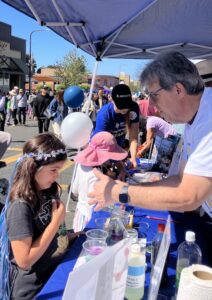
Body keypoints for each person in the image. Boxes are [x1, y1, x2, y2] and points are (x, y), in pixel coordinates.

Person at [88, 51, 212, 264]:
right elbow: (179, 180)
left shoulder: (208, 119)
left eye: (154, 95)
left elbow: (189, 196)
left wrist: (119, 192)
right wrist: (125, 189)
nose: (152, 105)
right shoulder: (196, 118)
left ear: (178, 89)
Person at [2, 133, 79, 299]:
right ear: (33, 168)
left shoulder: (48, 190)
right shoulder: (20, 206)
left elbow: (52, 234)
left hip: (54, 270)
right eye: (53, 170)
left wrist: (69, 237)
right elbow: (24, 260)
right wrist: (55, 222)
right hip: (34, 289)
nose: (58, 175)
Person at [72, 131, 128, 232]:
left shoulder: (81, 165)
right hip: (92, 217)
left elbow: (74, 190)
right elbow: (100, 200)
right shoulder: (97, 175)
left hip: (80, 213)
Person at [92, 84, 139, 170]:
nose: (124, 109)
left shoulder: (134, 108)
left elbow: (133, 137)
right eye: (120, 106)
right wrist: (110, 166)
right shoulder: (105, 114)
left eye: (126, 105)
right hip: (100, 152)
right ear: (112, 100)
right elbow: (99, 145)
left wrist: (133, 157)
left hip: (117, 150)